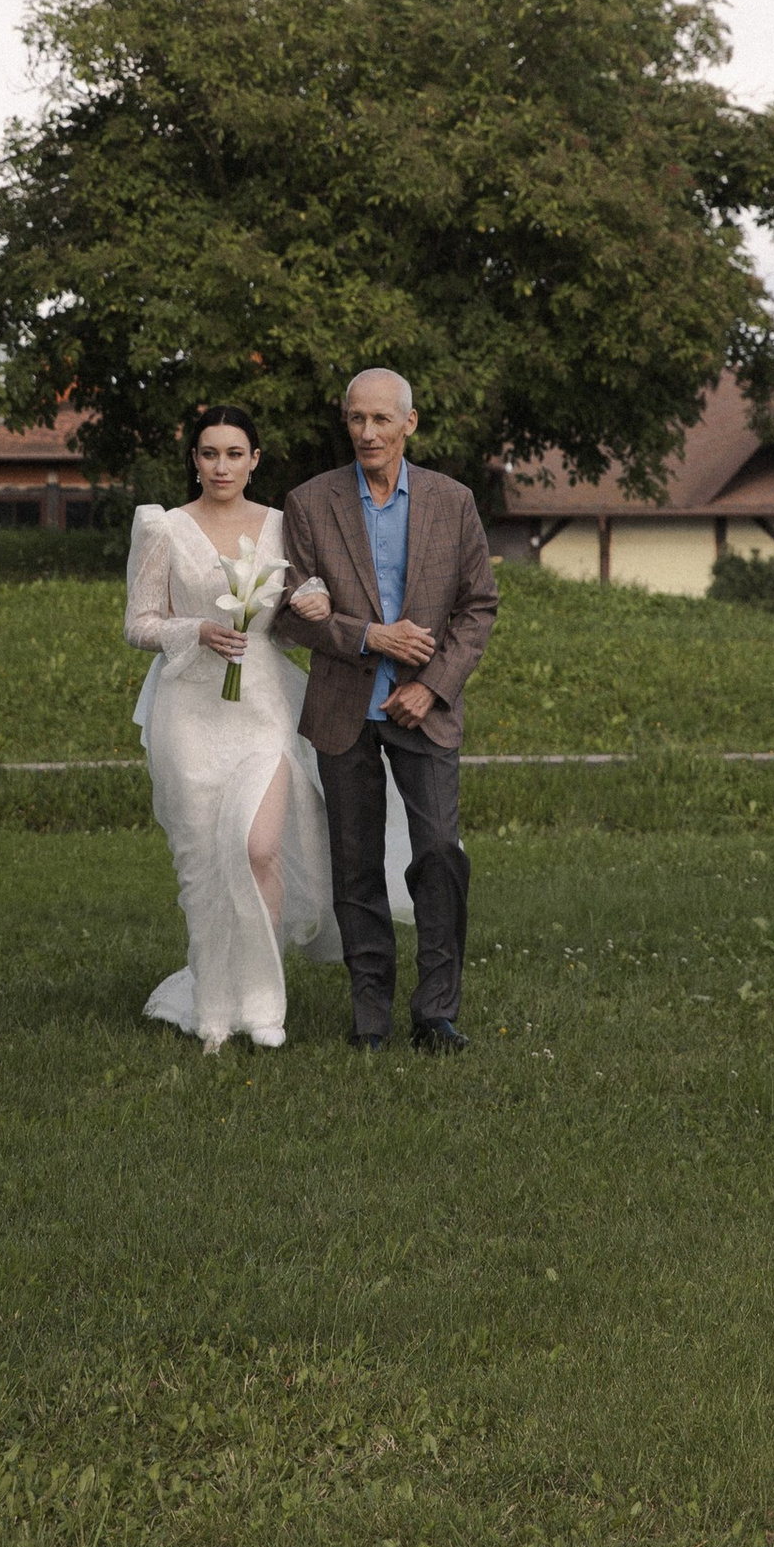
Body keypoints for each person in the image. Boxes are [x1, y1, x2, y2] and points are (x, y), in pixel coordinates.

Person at [275, 368, 499, 1053]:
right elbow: (293, 612)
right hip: (343, 709)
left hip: (423, 710)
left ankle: (435, 1012)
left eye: (380, 420)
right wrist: (370, 636)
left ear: (411, 423)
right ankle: (369, 1017)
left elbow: (478, 606)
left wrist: (430, 684)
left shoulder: (452, 500)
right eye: (355, 420)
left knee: (438, 853)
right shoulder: (310, 503)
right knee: (355, 864)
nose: (367, 433)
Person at [124, 403, 345, 1052]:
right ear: (194, 460)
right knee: (203, 865)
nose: (221, 466)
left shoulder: (283, 527)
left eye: (234, 454)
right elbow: (138, 623)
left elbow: (308, 600)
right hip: (189, 712)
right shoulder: (163, 529)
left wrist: (316, 601)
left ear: (256, 460)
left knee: (258, 851)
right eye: (209, 453)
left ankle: (263, 1003)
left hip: (262, 711)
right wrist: (194, 630)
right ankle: (212, 1001)